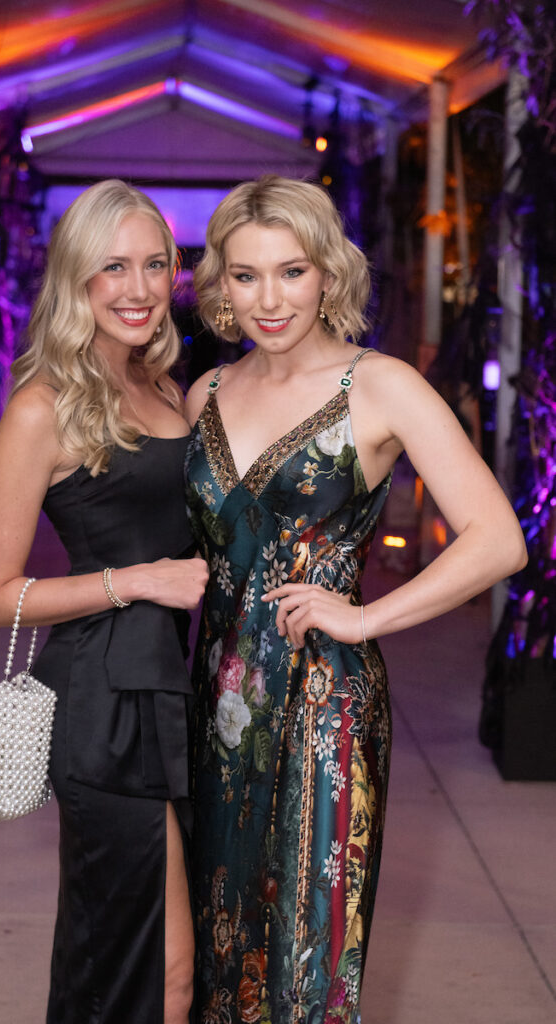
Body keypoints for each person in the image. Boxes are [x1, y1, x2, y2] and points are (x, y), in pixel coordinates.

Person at [184, 175, 526, 1024]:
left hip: (323, 706)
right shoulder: (206, 396)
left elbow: (497, 537)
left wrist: (366, 616)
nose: (269, 299)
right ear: (220, 286)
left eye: (291, 272)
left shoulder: (378, 387)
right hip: (216, 700)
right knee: (221, 952)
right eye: (245, 275)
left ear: (328, 275)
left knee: (306, 957)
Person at [0, 179, 209, 1024]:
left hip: (178, 690)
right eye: (114, 267)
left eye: (155, 264)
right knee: (142, 964)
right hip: (103, 703)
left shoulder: (166, 385)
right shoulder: (43, 405)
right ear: (77, 278)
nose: (139, 288)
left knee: (168, 963)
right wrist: (138, 581)